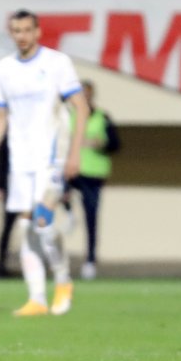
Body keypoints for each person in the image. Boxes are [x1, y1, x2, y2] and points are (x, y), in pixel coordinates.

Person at [0, 9, 89, 317]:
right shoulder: (5, 69)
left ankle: (63, 280)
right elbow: (0, 118)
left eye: (27, 29)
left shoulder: (56, 63)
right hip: (20, 159)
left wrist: (75, 153)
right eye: (16, 30)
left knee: (42, 219)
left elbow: (82, 107)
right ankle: (37, 298)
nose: (21, 35)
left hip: (51, 156)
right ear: (10, 33)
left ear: (37, 32)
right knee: (27, 227)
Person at [62, 80, 120, 280]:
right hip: (71, 170)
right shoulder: (68, 116)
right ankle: (68, 213)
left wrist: (101, 144)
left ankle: (90, 260)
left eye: (87, 94)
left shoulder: (102, 117)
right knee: (57, 189)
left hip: (94, 173)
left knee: (92, 217)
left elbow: (115, 144)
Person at [0, 140, 19, 278]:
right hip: (12, 189)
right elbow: (2, 160)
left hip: (33, 190)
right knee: (7, 228)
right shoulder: (11, 133)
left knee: (38, 228)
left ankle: (39, 266)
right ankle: (1, 264)